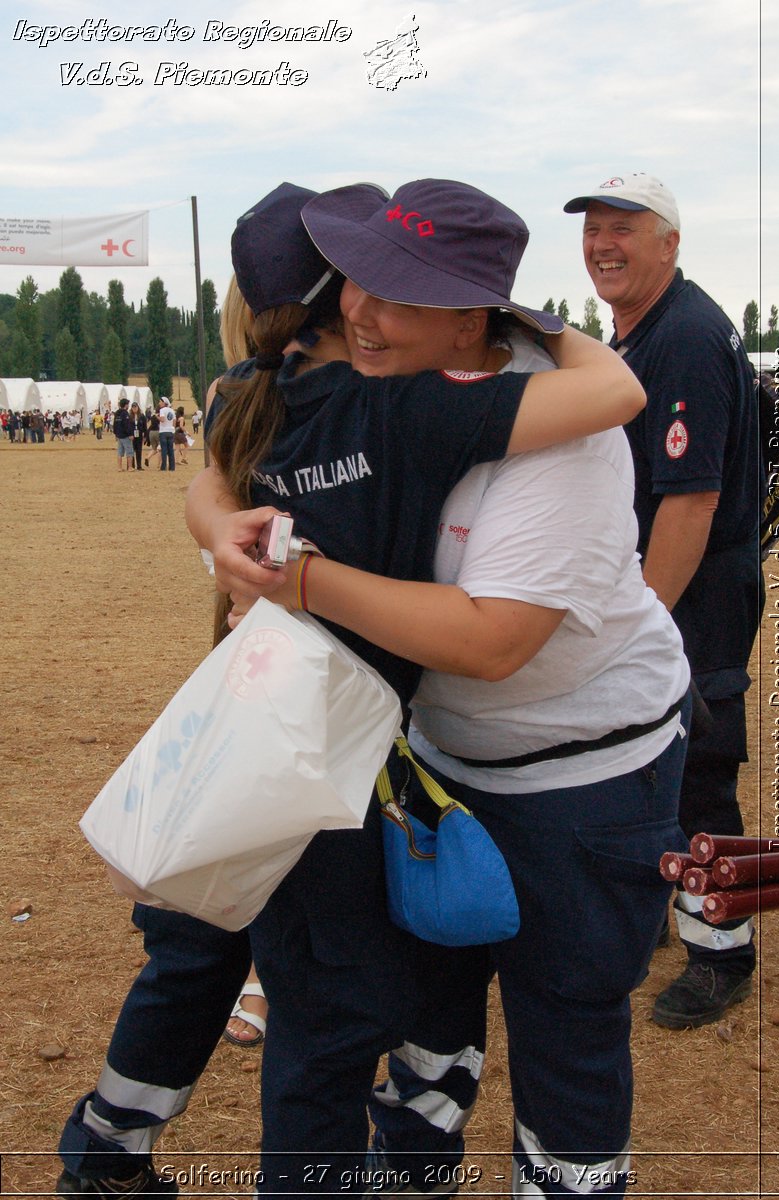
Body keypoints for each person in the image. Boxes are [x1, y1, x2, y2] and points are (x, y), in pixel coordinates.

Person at [56, 179, 644, 1199]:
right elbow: (616, 396)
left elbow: (217, 498)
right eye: (365, 283)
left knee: (224, 960)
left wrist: (216, 525)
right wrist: (540, 321)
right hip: (343, 757)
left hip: (261, 727)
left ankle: (109, 1149)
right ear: (340, 300)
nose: (375, 308)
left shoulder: (247, 399)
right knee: (339, 1013)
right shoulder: (401, 408)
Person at [213, 181, 692, 1200]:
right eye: (357, 283)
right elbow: (239, 429)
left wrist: (294, 577)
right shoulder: (376, 385)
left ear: (472, 319)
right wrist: (215, 524)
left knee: (565, 1034)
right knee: (427, 1020)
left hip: (582, 778)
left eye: (397, 294)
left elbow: (493, 642)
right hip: (435, 761)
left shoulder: (551, 430)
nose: (357, 311)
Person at [563, 172, 762, 1030]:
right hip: (663, 588)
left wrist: (640, 623)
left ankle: (724, 952)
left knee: (699, 768)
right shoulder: (640, 333)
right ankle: (655, 915)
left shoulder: (682, 335)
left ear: (670, 243)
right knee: (642, 757)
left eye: (624, 229)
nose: (603, 243)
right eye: (593, 229)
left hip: (694, 591)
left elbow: (692, 501)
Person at [112, 399, 135, 472]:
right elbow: (127, 425)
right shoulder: (125, 414)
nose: (128, 406)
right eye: (128, 404)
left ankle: (119, 467)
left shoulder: (117, 413)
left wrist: (115, 433)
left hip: (119, 435)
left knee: (120, 452)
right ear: (125, 405)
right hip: (125, 436)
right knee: (129, 451)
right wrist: (130, 434)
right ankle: (130, 467)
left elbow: (114, 424)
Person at [157, 398, 176, 471]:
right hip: (170, 431)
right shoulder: (172, 411)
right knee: (171, 450)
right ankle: (172, 467)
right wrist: (172, 429)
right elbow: (174, 421)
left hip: (163, 431)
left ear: (164, 403)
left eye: (160, 402)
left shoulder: (162, 410)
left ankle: (163, 466)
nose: (159, 403)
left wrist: (157, 417)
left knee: (164, 450)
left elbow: (162, 419)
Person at [129, 402, 147, 470]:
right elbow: (128, 426)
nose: (134, 408)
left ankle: (139, 466)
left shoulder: (142, 416)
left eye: (135, 407)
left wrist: (145, 436)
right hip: (132, 435)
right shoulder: (130, 416)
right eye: (133, 407)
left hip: (139, 435)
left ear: (138, 407)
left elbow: (145, 427)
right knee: (132, 450)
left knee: (139, 451)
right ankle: (132, 465)